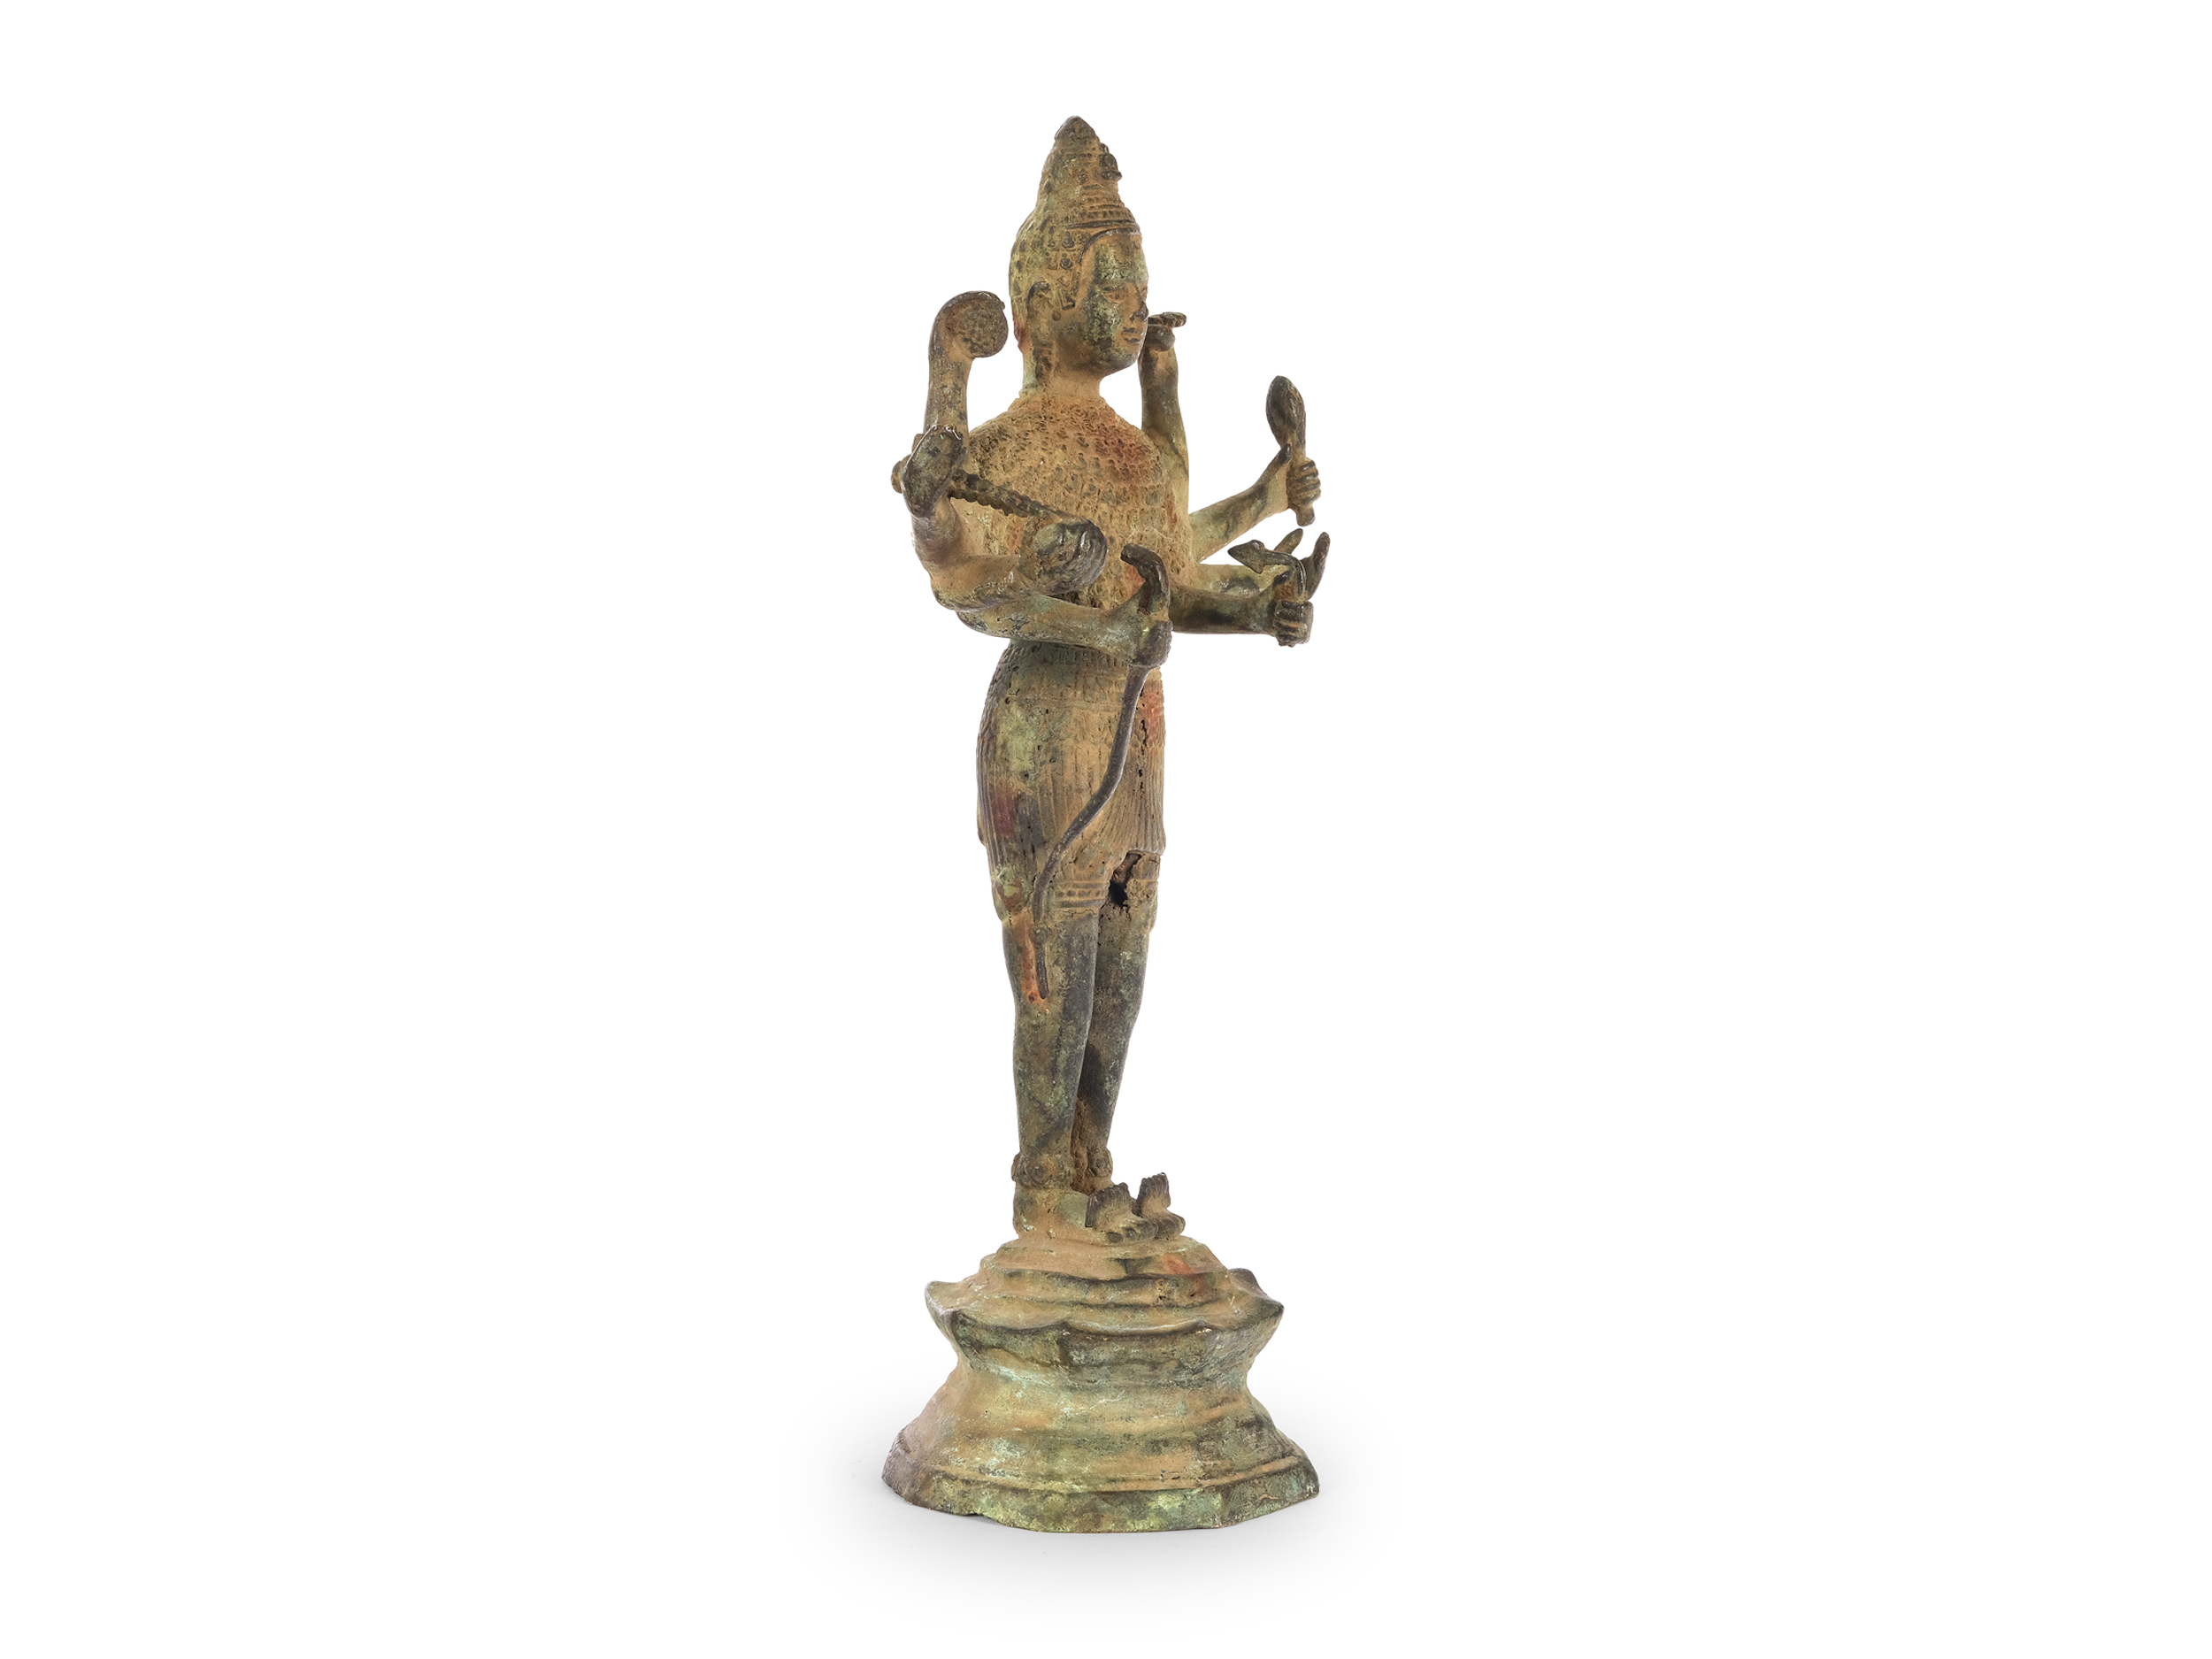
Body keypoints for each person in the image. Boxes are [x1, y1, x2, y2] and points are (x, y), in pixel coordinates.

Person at [900, 117, 1325, 1233]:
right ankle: (1044, 1183)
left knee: (1123, 971)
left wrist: (1259, 606)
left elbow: (1169, 585)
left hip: (1133, 748)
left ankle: (1090, 1163)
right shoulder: (1006, 447)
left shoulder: (1134, 459)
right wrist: (945, 478)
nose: (1131, 303)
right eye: (1107, 278)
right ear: (1038, 305)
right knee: (1060, 967)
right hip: (1049, 743)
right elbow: (960, 574)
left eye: (1137, 278)